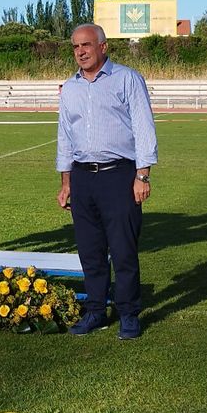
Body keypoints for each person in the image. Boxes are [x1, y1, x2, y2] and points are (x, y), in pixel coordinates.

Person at [56, 23, 157, 340]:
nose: (80, 52)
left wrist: (142, 175)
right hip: (83, 178)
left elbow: (143, 127)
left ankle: (128, 313)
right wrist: (66, 181)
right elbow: (65, 137)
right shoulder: (69, 88)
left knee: (123, 249)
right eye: (75, 47)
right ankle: (96, 310)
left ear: (103, 46)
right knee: (90, 250)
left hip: (119, 175)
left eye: (86, 45)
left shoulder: (126, 79)